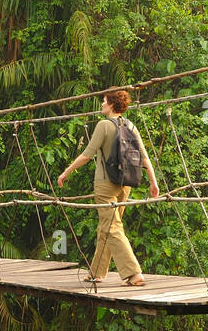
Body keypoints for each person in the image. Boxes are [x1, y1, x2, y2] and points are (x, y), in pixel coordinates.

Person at [56, 88, 159, 286]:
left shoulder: (103, 125)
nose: (102, 104)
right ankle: (97, 272)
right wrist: (153, 182)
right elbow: (144, 158)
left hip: (105, 184)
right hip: (125, 184)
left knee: (112, 227)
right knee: (106, 226)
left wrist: (66, 172)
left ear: (111, 104)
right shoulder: (131, 126)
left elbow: (87, 154)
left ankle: (133, 273)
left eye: (104, 101)